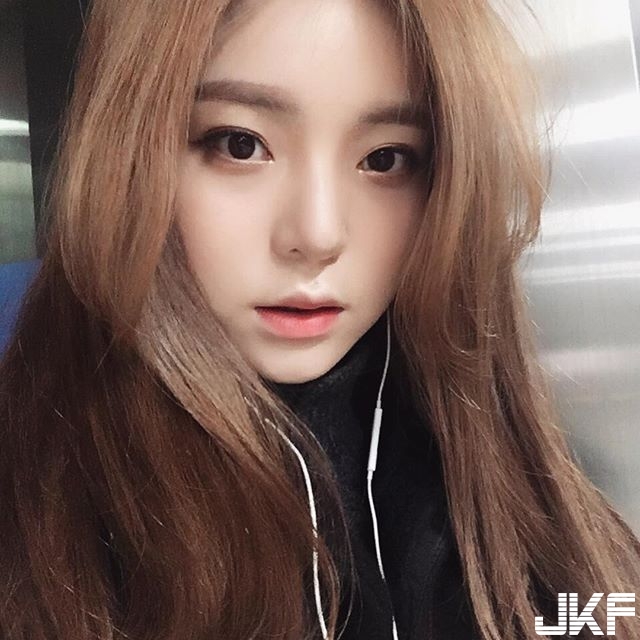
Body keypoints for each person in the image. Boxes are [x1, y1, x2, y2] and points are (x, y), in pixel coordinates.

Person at [1, 0, 638, 639]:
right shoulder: (38, 510)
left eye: (386, 159)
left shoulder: (503, 467)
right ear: (126, 154)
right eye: (240, 145)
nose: (318, 234)